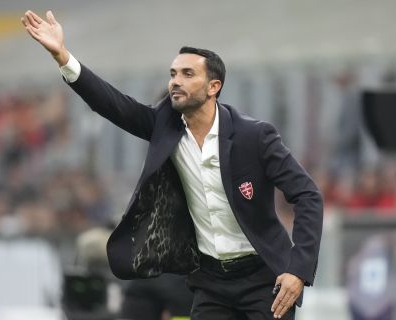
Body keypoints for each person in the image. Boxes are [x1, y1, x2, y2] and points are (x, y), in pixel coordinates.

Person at [21, 10, 323, 320]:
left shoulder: (254, 136)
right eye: (173, 73)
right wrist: (63, 56)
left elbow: (308, 195)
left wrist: (297, 270)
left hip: (263, 278)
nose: (175, 81)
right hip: (210, 282)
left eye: (187, 74)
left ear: (213, 87)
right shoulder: (163, 127)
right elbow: (111, 104)